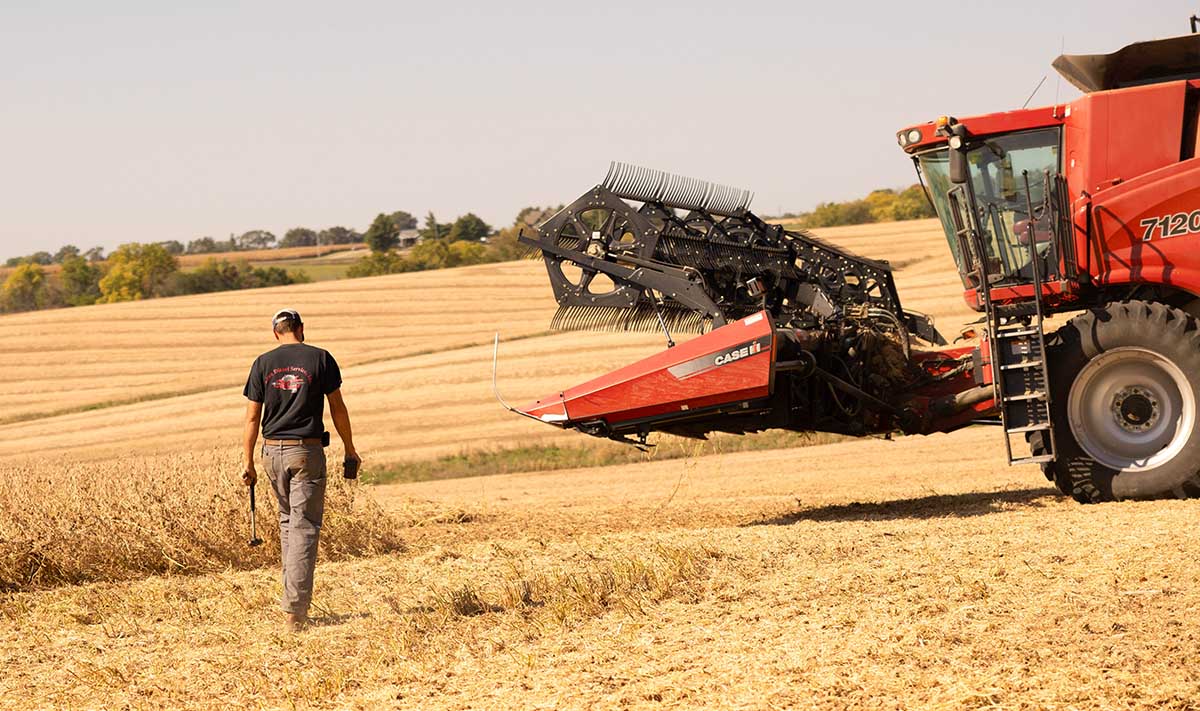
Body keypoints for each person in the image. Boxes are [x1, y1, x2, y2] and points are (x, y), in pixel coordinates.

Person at [241, 308, 361, 632]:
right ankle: (294, 615)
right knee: (305, 527)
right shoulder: (321, 358)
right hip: (306, 451)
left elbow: (252, 418)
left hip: (271, 453)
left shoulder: (262, 364)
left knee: (287, 524)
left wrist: (248, 462)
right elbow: (338, 407)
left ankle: (291, 600)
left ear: (275, 333)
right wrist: (349, 448)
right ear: (301, 328)